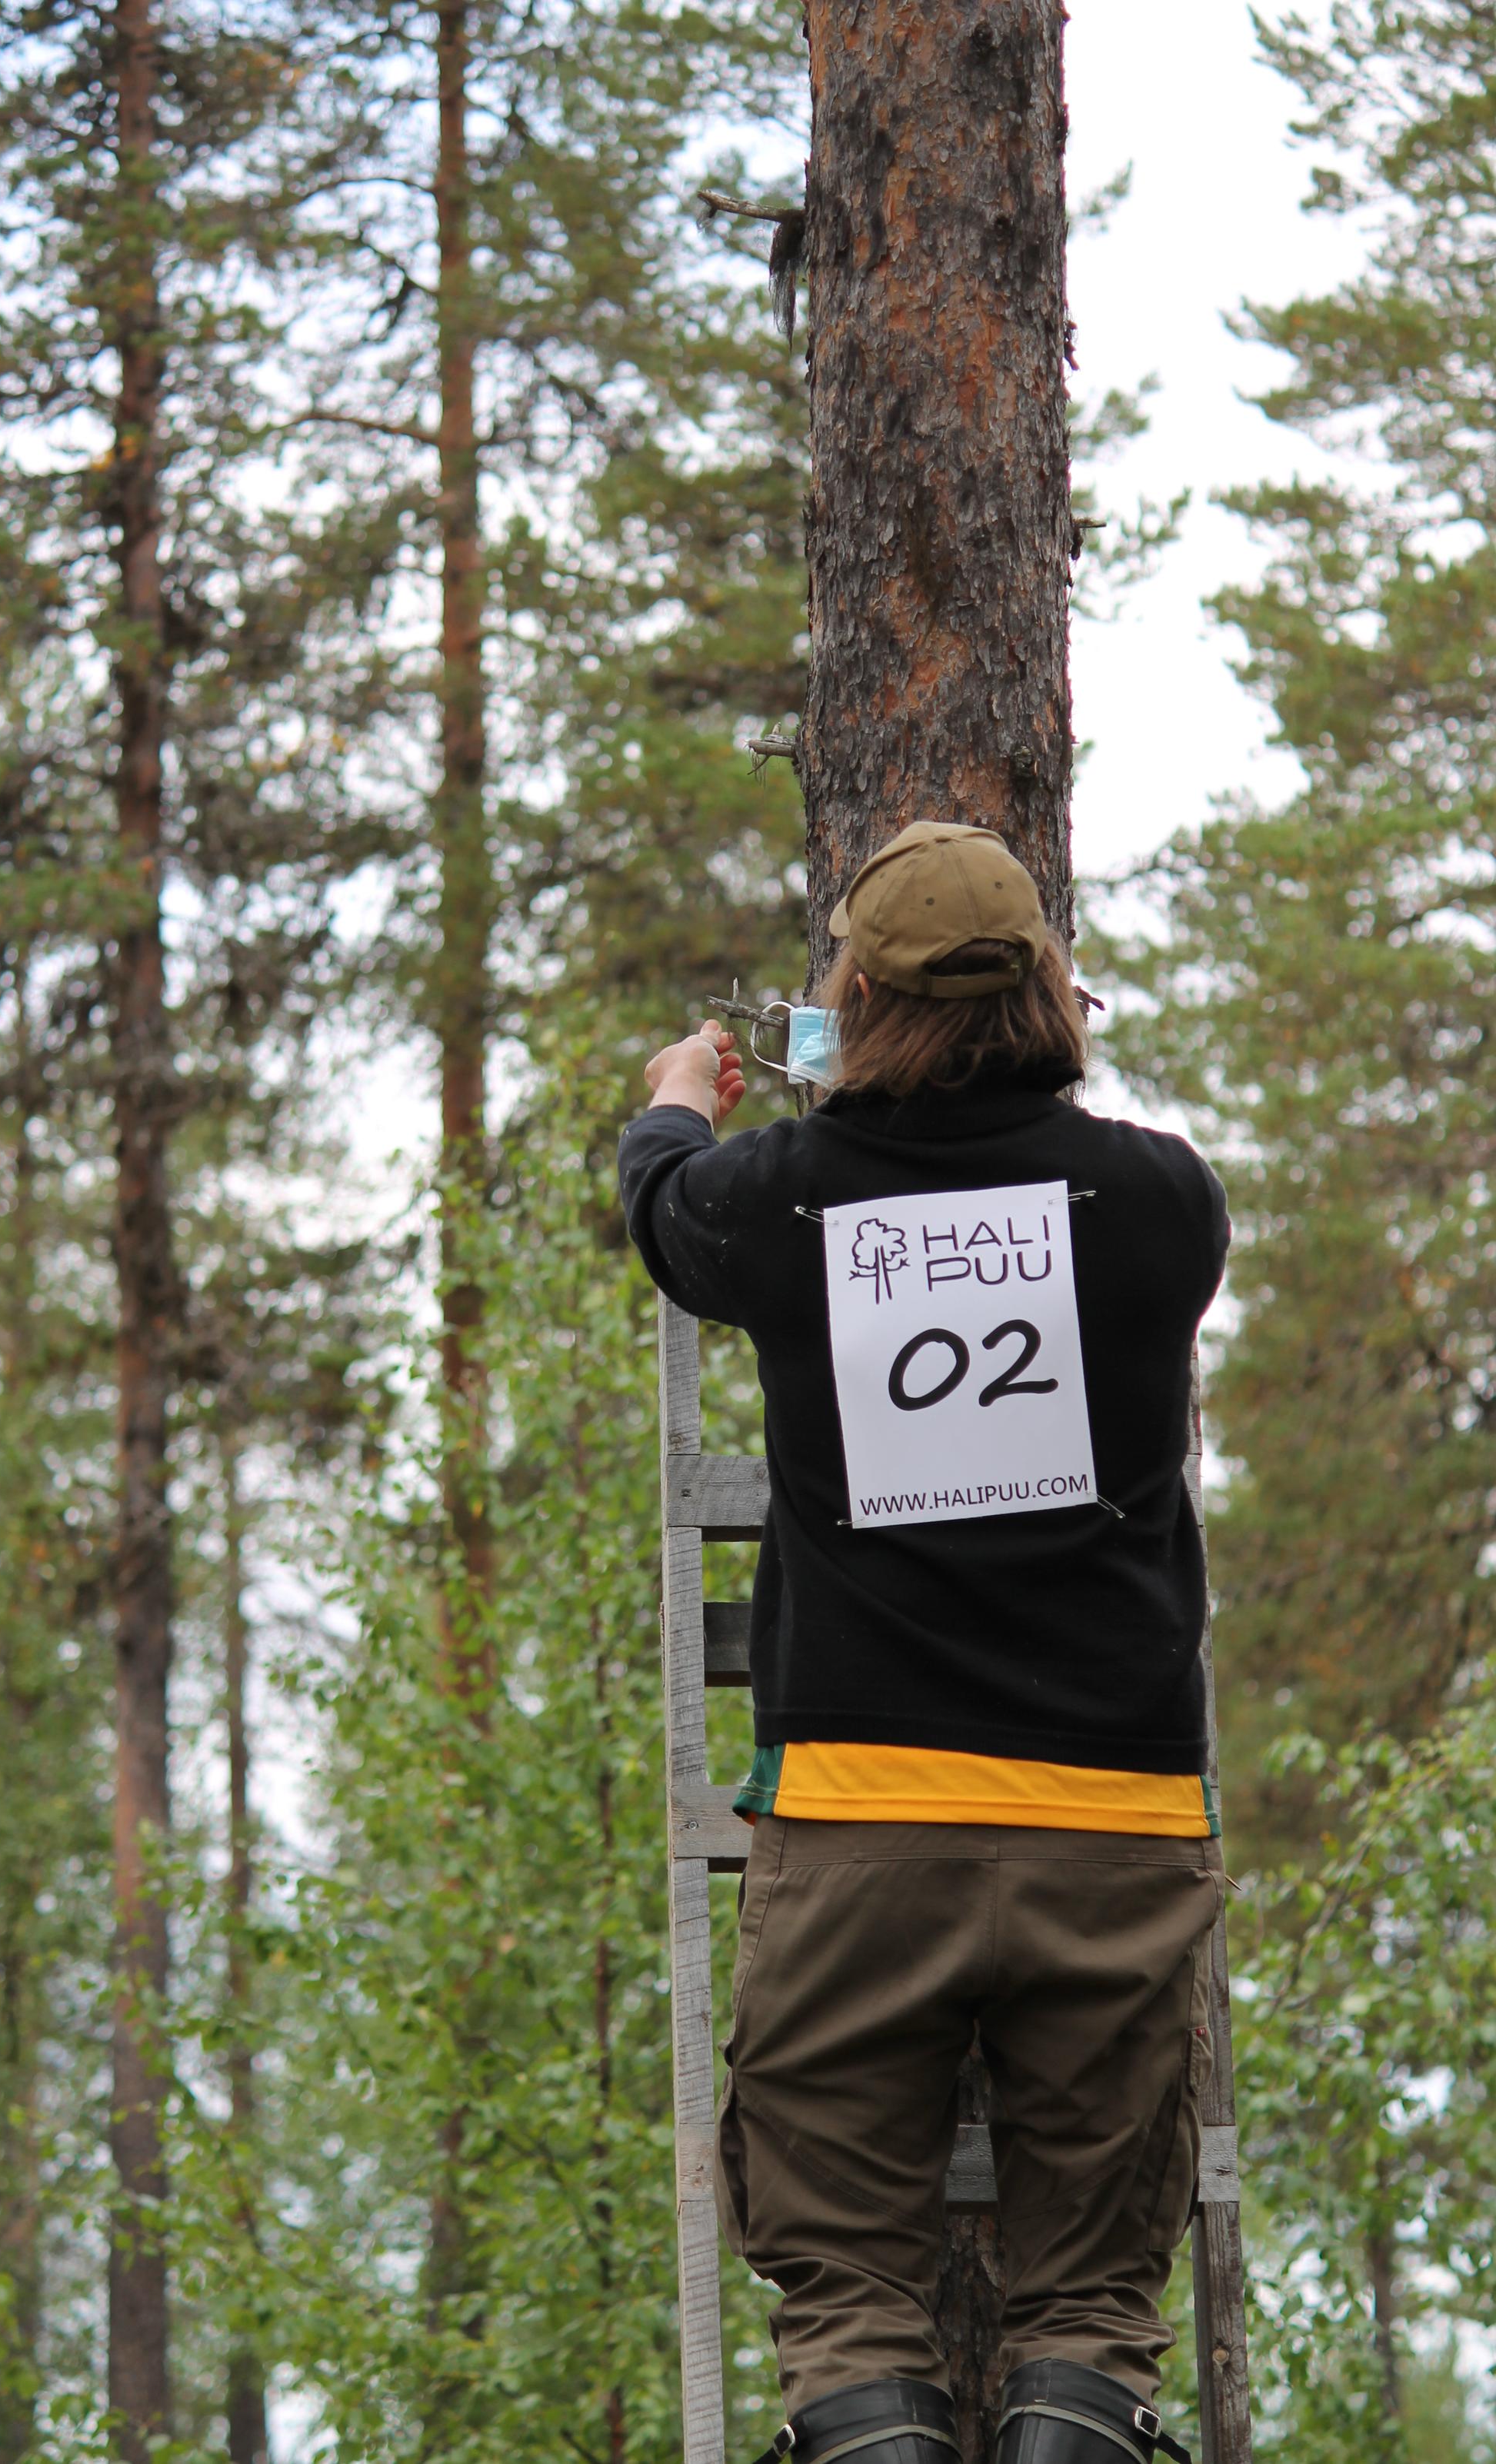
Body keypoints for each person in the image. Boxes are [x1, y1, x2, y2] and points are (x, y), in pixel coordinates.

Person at [618, 822, 1231, 2464]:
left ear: (861, 999)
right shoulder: (1165, 1203)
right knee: (1092, 2307)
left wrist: (677, 1100)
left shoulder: (784, 1197)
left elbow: (665, 1211)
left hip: (861, 1825)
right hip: (1117, 1831)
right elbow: (1045, 1176)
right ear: (1049, 987)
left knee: (844, 2291)